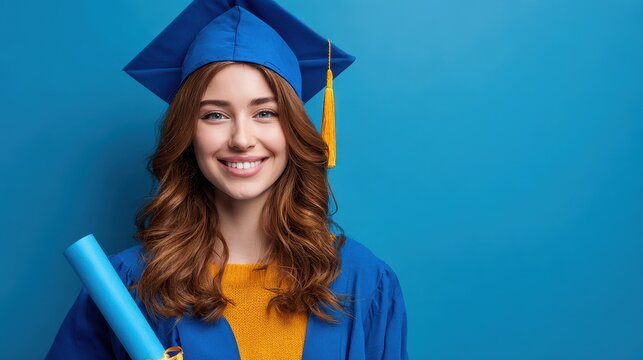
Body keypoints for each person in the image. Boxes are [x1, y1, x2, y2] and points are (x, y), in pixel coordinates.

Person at [45, 0, 409, 359]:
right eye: (215, 115)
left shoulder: (363, 281)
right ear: (188, 133)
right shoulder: (127, 286)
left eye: (265, 112)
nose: (241, 138)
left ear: (293, 130)